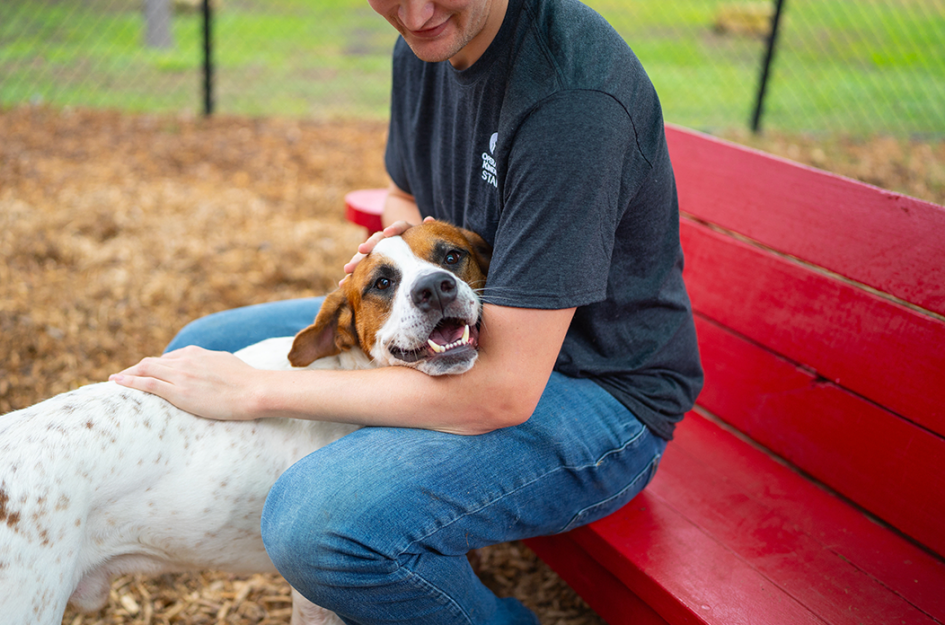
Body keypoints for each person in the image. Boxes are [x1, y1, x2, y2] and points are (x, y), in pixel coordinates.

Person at [110, 0, 704, 622]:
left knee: (315, 527)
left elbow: (500, 394)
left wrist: (260, 391)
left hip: (596, 387)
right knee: (205, 341)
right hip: (461, 314)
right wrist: (402, 242)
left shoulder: (571, 100)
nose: (414, 13)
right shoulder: (430, 39)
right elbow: (404, 192)